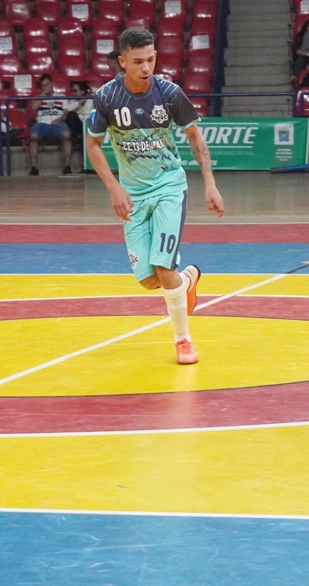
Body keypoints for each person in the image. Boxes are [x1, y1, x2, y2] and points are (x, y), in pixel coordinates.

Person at [86, 27, 226, 366]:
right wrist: (114, 188)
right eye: (137, 62)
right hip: (132, 194)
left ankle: (184, 341)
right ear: (122, 62)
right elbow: (93, 145)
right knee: (151, 279)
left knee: (164, 269)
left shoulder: (170, 93)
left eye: (150, 59)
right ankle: (189, 278)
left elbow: (195, 137)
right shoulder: (106, 97)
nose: (146, 68)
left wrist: (209, 182)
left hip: (168, 188)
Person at [27, 74, 76, 176]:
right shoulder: (39, 97)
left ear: (52, 84)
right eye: (43, 86)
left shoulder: (61, 97)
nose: (45, 87)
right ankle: (34, 167)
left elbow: (65, 114)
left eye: (47, 85)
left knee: (67, 134)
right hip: (42, 123)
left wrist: (59, 119)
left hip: (57, 123)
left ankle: (67, 166)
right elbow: (33, 107)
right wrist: (42, 94)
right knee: (33, 136)